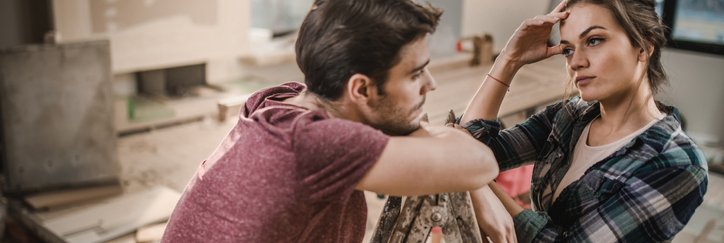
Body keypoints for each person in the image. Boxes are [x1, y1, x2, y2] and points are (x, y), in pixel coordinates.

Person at [161, 0, 499, 242]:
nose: (431, 83)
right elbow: (482, 162)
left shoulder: (279, 101)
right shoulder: (321, 144)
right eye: (415, 75)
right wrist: (459, 162)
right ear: (361, 88)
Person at [462, 0, 708, 242]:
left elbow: (459, 162)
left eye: (594, 40)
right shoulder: (569, 116)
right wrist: (509, 60)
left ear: (643, 45)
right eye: (568, 49)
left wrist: (478, 186)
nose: (576, 62)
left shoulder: (679, 163)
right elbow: (469, 148)